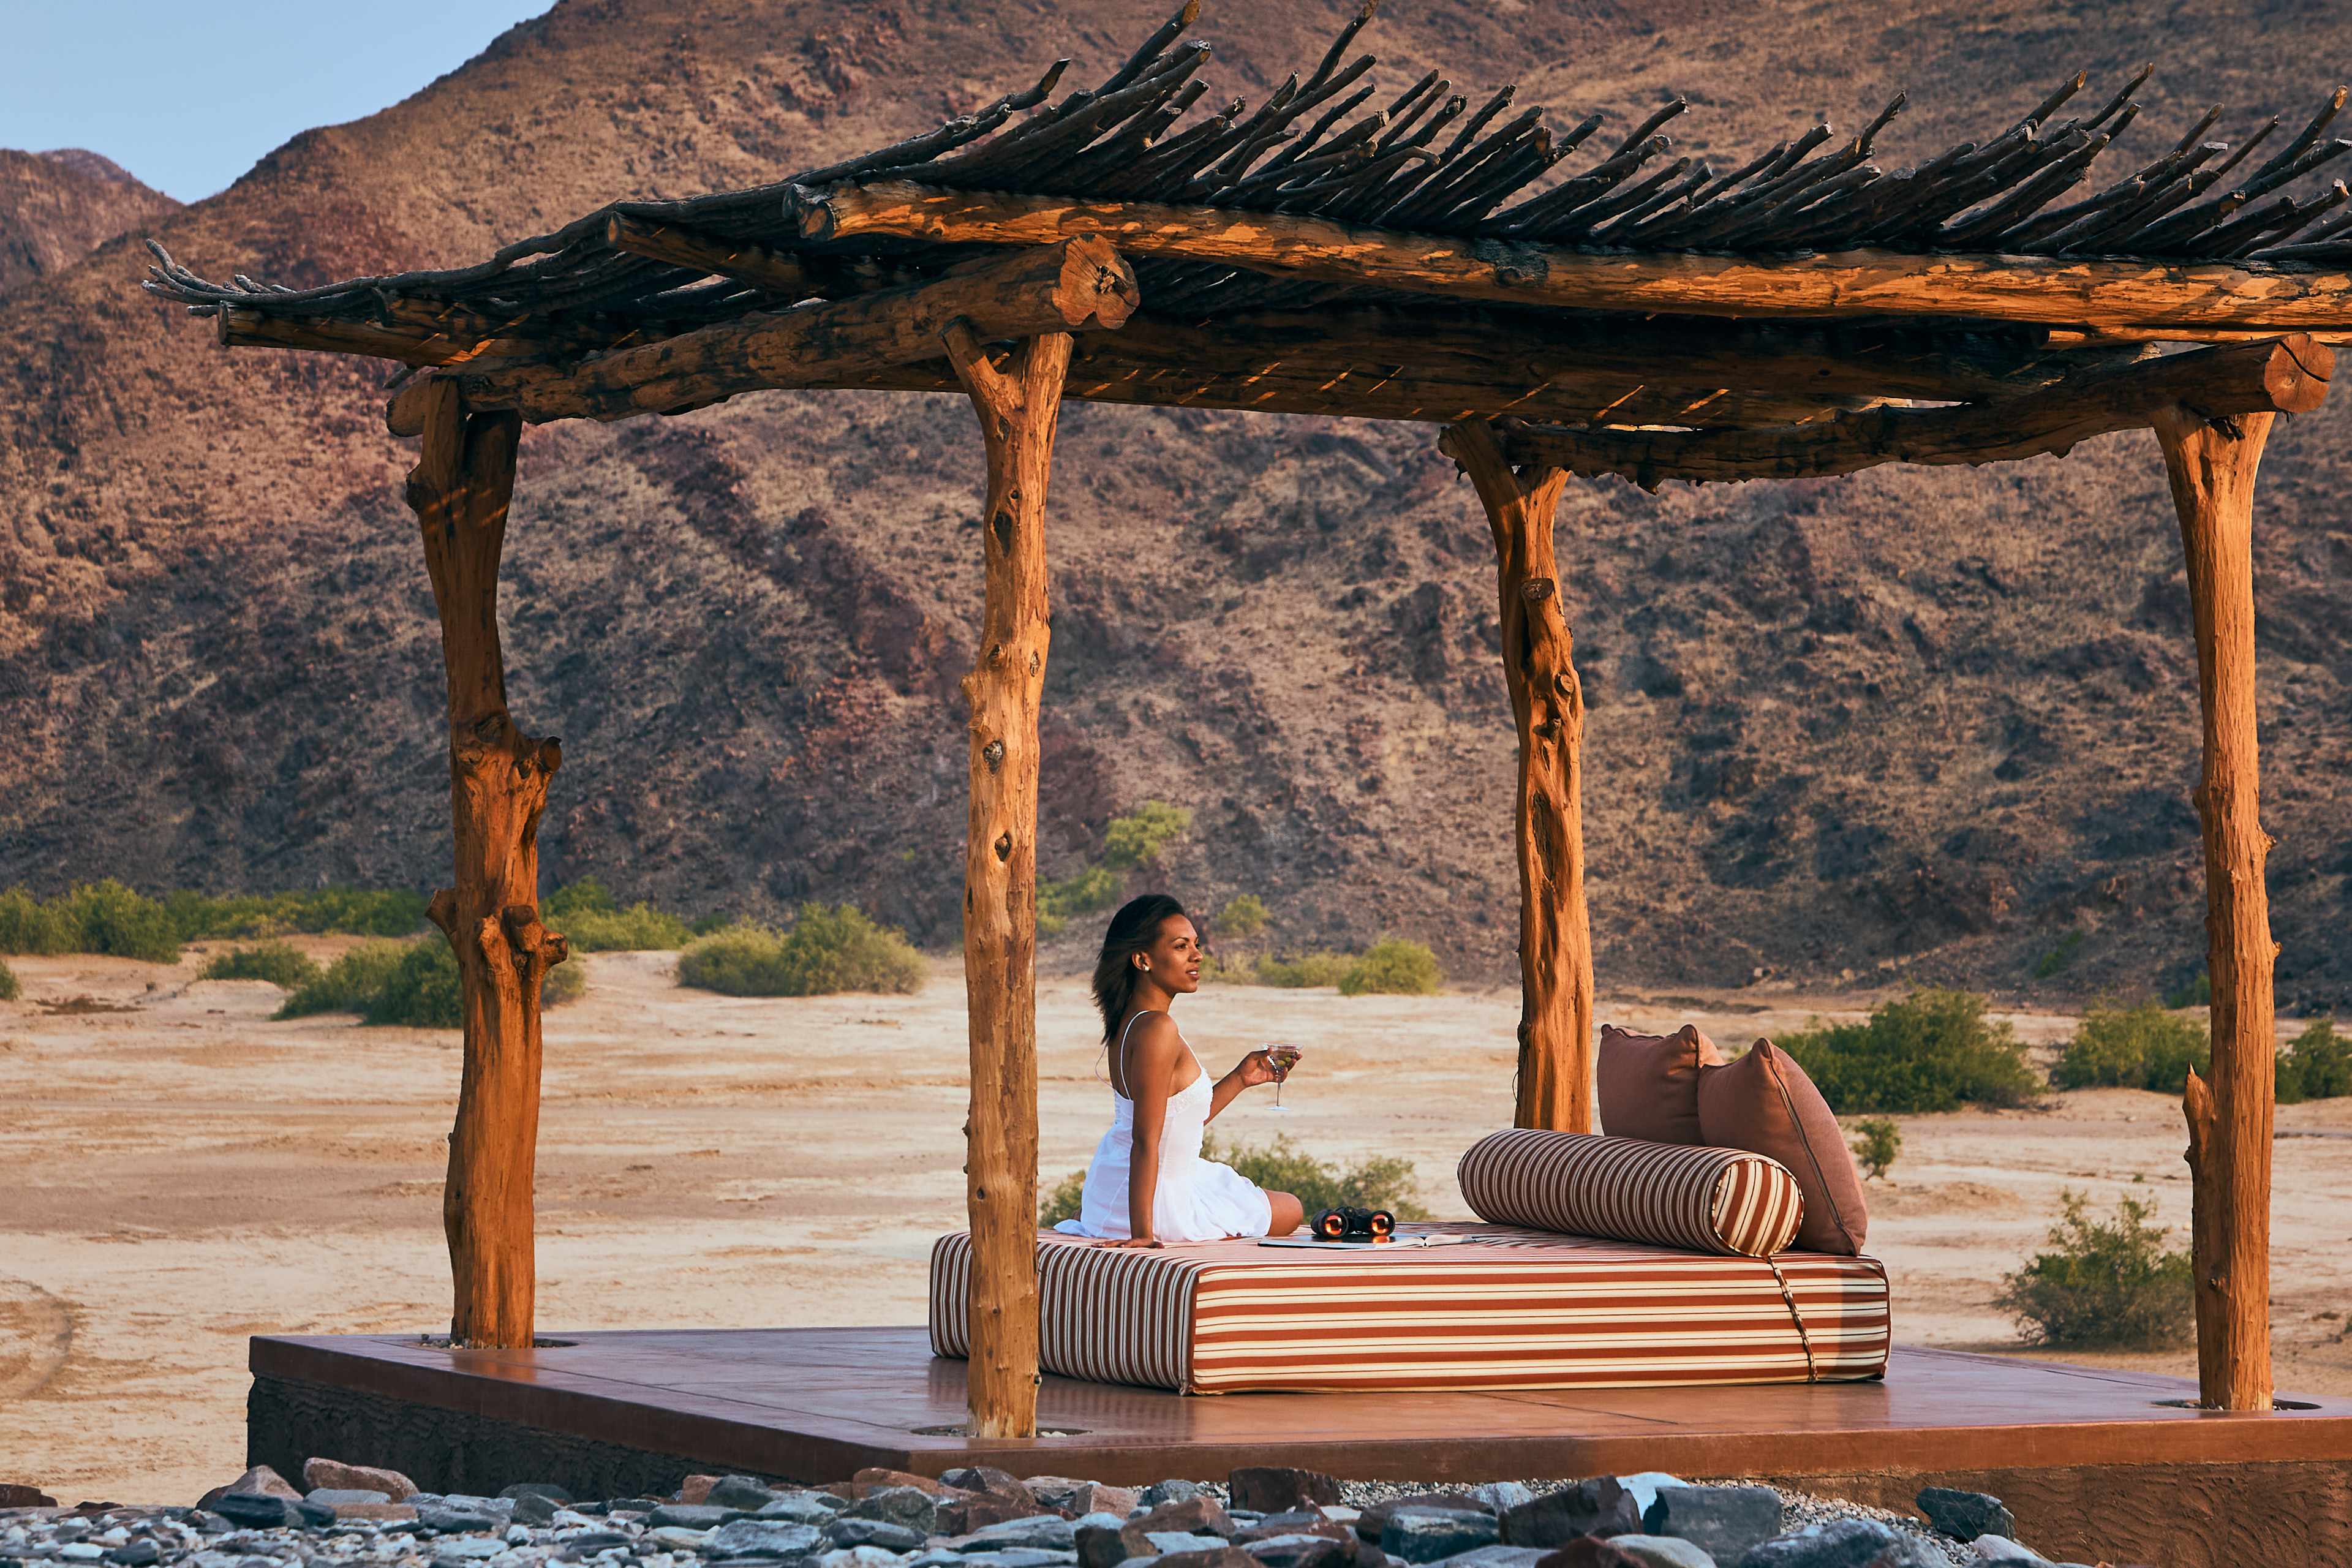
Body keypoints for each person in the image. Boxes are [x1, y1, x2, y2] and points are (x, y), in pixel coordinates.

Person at [1053, 894, 1306, 1246]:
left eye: (1196, 945)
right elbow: (1146, 1139)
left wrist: (1241, 1078)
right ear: (1143, 960)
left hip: (1116, 1190)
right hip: (1154, 1201)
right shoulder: (1158, 1028)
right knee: (1290, 1209)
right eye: (1180, 946)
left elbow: (1173, 1120)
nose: (1197, 955)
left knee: (1260, 1200)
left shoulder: (1131, 1022)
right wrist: (1143, 1233)